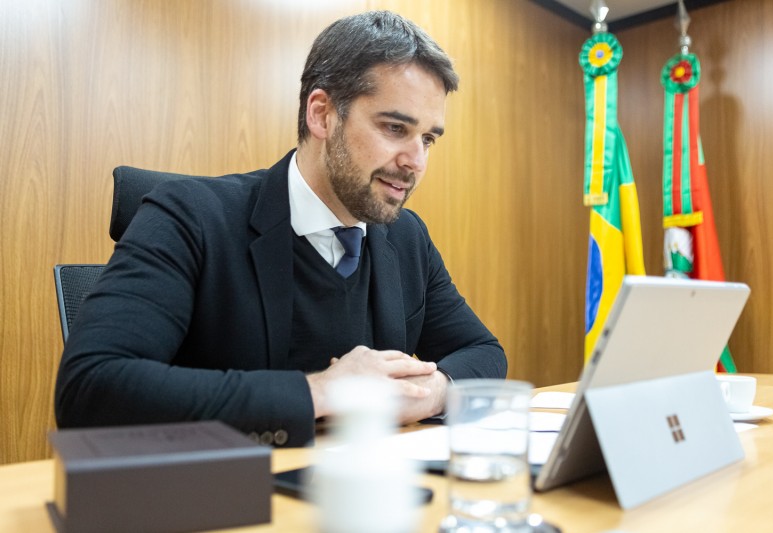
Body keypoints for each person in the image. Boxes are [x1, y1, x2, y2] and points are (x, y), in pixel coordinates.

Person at [54, 10, 506, 447]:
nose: (416, 162)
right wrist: (321, 391)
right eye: (394, 127)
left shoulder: (406, 237)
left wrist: (434, 391)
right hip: (229, 489)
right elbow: (91, 386)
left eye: (428, 139)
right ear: (322, 114)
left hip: (366, 484)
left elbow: (484, 352)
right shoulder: (189, 216)